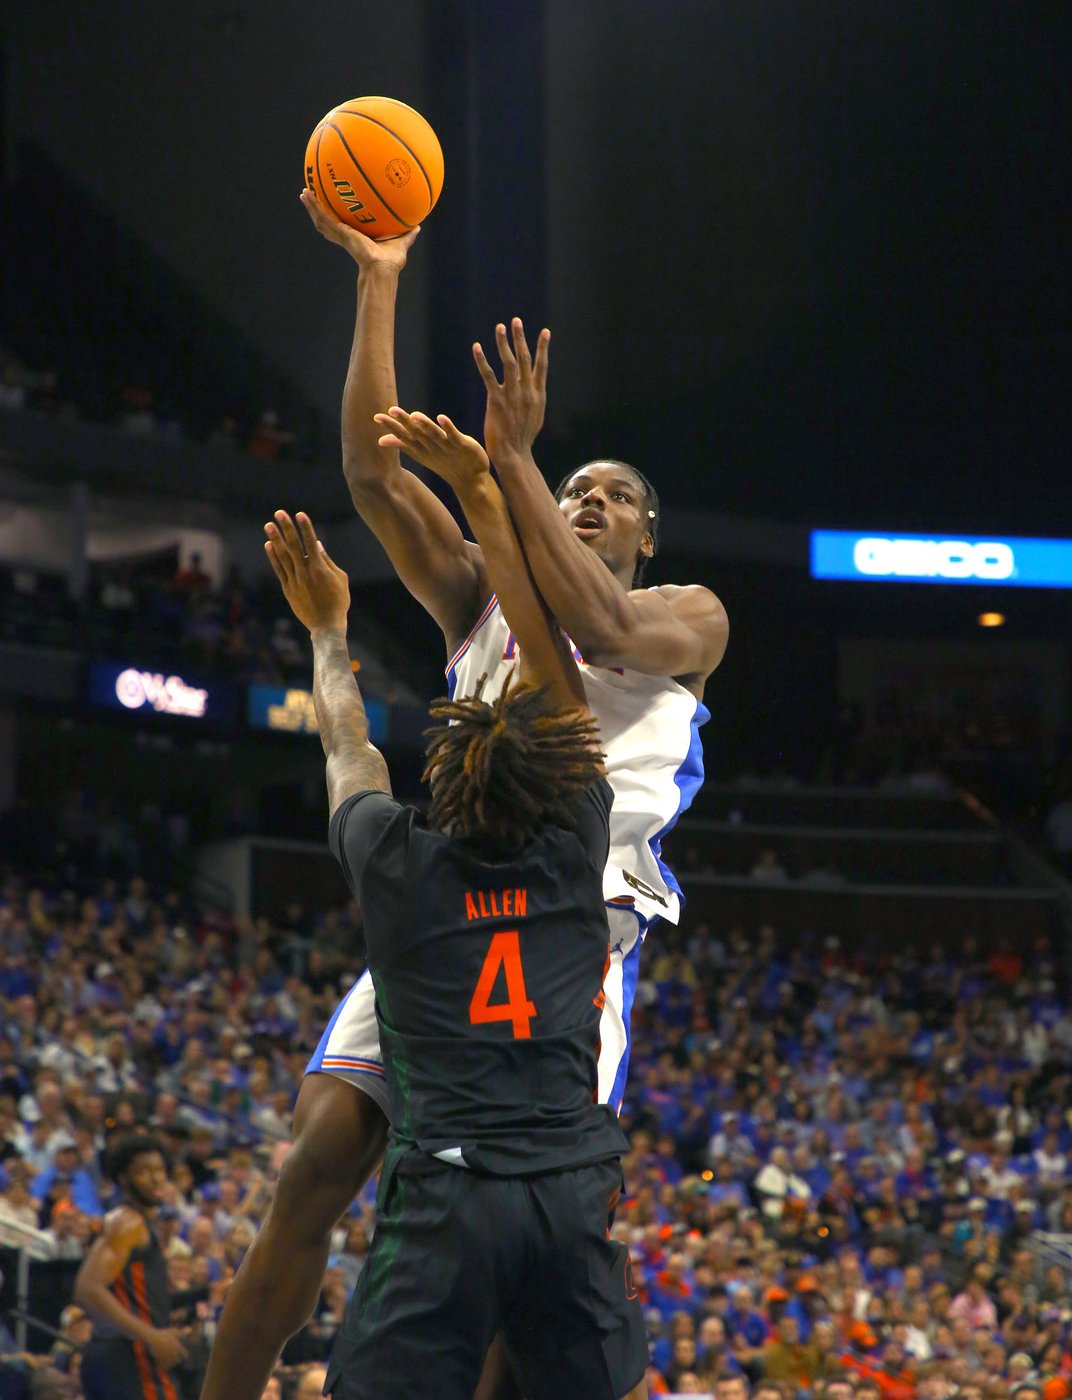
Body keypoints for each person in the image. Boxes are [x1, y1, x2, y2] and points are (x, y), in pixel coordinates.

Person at [202, 454, 647, 1397]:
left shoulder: (397, 864)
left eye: (618, 497)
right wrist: (496, 486)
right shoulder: (578, 853)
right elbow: (563, 700)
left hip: (450, 1184)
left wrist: (328, 631)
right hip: (559, 1171)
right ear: (566, 776)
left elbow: (347, 744)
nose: (595, 503)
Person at [74, 1133, 187, 1400]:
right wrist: (151, 1336)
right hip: (129, 1355)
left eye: (159, 1170)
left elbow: (147, 1301)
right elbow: (87, 1289)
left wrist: (207, 1292)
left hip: (113, 1352)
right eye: (144, 1171)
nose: (156, 1178)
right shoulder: (128, 1222)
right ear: (124, 1178)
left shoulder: (135, 1222)